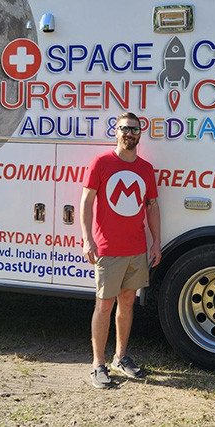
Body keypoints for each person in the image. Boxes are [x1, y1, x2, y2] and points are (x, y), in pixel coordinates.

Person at [80, 112, 161, 389]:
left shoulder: (145, 168)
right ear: (116, 131)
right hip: (108, 248)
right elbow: (86, 201)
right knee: (104, 305)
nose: (129, 133)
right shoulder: (102, 163)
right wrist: (87, 239)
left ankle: (120, 357)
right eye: (124, 128)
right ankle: (97, 365)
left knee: (127, 302)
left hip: (136, 248)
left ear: (140, 133)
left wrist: (156, 242)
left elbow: (151, 206)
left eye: (134, 129)